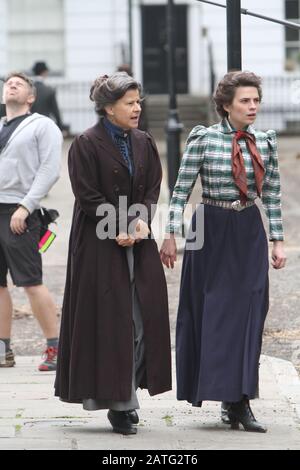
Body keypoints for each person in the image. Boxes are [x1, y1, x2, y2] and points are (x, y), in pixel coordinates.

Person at [160, 71, 286, 433]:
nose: (253, 107)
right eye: (245, 101)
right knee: (212, 309)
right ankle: (222, 394)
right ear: (226, 105)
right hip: (209, 227)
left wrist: (277, 240)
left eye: (256, 100)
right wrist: (170, 233)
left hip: (248, 228)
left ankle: (240, 400)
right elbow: (181, 189)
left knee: (249, 310)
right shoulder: (203, 138)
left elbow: (273, 194)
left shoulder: (266, 142)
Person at [54, 72, 171, 435]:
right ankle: (119, 404)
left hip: (139, 237)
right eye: (129, 103)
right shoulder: (85, 144)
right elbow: (88, 195)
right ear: (107, 108)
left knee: (140, 320)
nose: (137, 108)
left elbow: (153, 187)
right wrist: (118, 226)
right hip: (98, 245)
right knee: (110, 322)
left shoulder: (144, 140)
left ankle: (128, 391)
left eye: (138, 102)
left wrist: (139, 223)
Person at [0, 72, 63, 371]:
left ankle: (55, 348)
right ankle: (3, 350)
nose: (11, 85)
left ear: (31, 97)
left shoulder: (42, 125)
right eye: (7, 83)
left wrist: (26, 207)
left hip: (19, 212)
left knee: (30, 282)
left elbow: (50, 170)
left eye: (19, 83)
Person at [31, 61, 66, 132]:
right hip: (45, 125)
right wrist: (60, 127)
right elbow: (55, 111)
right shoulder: (49, 90)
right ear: (45, 72)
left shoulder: (28, 89)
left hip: (30, 124)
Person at [117, 64, 149, 132]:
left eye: (137, 102)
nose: (138, 109)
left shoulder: (138, 94)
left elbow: (143, 118)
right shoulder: (114, 95)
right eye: (130, 103)